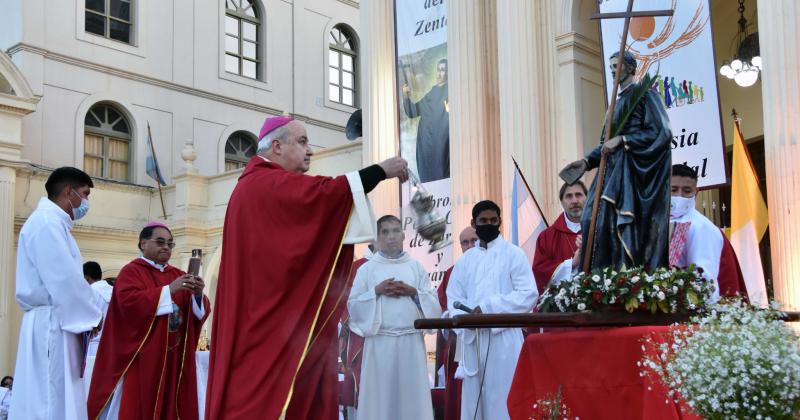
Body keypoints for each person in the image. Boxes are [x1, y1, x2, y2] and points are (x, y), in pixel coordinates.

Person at [206, 116, 409, 419]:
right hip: (265, 324)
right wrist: (380, 171)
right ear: (276, 146)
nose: (309, 151)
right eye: (301, 142)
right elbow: (324, 196)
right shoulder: (263, 184)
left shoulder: (255, 186)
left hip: (269, 316)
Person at [561, 50, 672, 272]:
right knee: (591, 219)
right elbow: (605, 144)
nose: (613, 70)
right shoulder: (615, 104)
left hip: (630, 174)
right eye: (611, 66)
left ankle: (623, 275)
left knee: (616, 224)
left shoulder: (645, 96)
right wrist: (586, 161)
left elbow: (661, 133)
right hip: (610, 171)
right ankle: (600, 278)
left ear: (631, 68)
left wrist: (624, 140)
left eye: (617, 65)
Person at [87, 222, 209, 419]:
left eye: (170, 244)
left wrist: (197, 294)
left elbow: (198, 311)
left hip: (174, 356)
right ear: (143, 243)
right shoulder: (131, 272)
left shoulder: (178, 274)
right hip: (143, 356)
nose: (166, 248)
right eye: (160, 242)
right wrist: (169, 290)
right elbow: (128, 304)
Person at [10, 167, 102, 420]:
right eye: (84, 194)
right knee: (50, 400)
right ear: (68, 191)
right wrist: (94, 317)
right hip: (52, 324)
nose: (86, 202)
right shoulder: (47, 224)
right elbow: (65, 280)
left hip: (55, 321)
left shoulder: (54, 223)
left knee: (53, 397)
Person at [446, 200, 539, 420]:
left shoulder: (513, 254)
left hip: (504, 339)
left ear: (500, 222)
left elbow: (528, 293)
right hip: (473, 340)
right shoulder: (465, 261)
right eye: (483, 221)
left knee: (504, 398)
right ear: (473, 223)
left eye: (493, 221)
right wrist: (467, 322)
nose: (489, 225)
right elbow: (454, 298)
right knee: (475, 403)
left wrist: (488, 308)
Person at [347, 215, 441, 419]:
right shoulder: (367, 270)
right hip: (379, 344)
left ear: (403, 235)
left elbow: (434, 306)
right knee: (380, 403)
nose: (391, 237)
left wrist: (413, 292)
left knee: (412, 401)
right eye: (385, 232)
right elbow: (353, 306)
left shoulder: (416, 267)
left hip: (411, 345)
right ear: (378, 237)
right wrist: (376, 291)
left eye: (395, 231)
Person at [669, 164, 747, 300]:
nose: (679, 196)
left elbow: (704, 280)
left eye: (686, 191)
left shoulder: (701, 226)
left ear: (696, 192)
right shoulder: (668, 222)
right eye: (673, 190)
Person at [436, 226, 477, 420]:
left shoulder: (495, 265)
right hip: (458, 344)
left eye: (473, 240)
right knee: (459, 397)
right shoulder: (451, 272)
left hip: (488, 338)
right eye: (465, 242)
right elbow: (442, 305)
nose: (470, 246)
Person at [338, 243, 375, 419]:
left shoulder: (405, 266)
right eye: (383, 232)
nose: (389, 237)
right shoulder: (357, 267)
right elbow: (345, 304)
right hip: (362, 338)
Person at [533, 181, 586, 293]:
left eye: (578, 195)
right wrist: (572, 263)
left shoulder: (599, 231)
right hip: (560, 307)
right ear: (562, 202)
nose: (574, 201)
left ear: (588, 198)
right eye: (569, 196)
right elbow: (539, 272)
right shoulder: (547, 236)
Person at [402, 58, 450, 183]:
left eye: (443, 70)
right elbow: (413, 112)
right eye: (438, 70)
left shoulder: (450, 91)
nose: (439, 73)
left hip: (441, 145)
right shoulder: (432, 92)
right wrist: (406, 97)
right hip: (426, 144)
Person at [82, 261, 114, 395]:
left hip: (92, 348)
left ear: (86, 278)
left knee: (89, 391)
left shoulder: (89, 292)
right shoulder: (115, 291)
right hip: (111, 348)